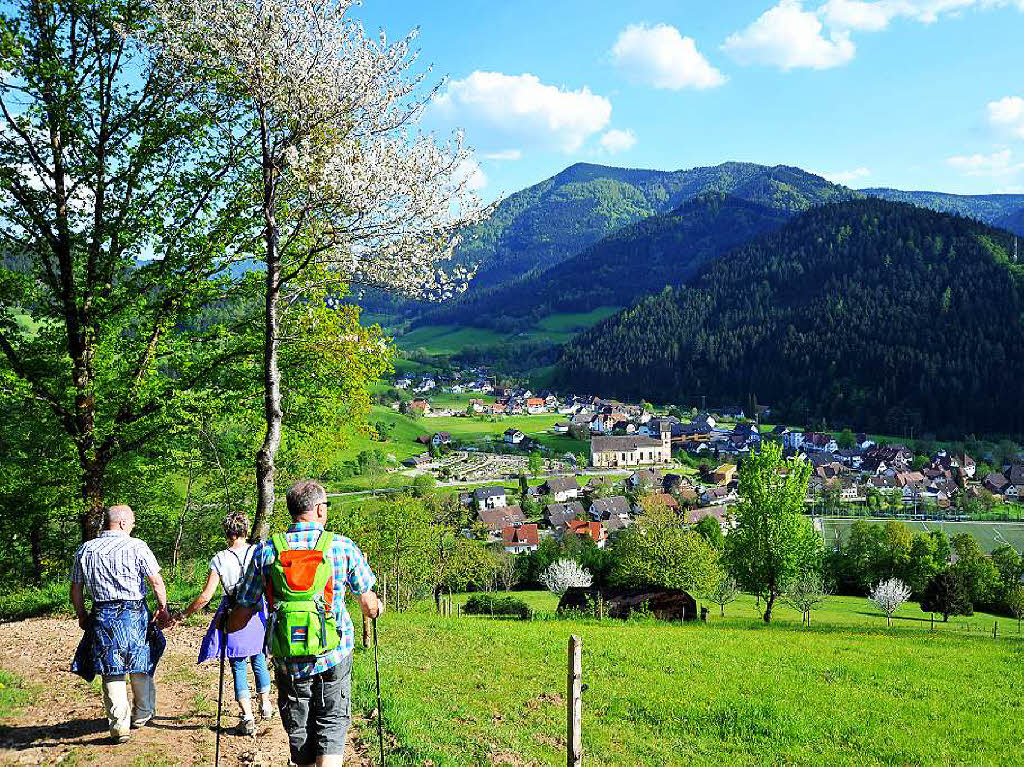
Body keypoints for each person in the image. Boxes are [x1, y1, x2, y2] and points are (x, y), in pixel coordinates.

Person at [227, 480, 382, 767]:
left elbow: (242, 613)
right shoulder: (341, 546)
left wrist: (227, 625)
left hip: (289, 657)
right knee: (332, 721)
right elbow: (367, 603)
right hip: (332, 654)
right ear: (320, 509)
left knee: (299, 727)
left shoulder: (265, 551)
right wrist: (375, 609)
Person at [70, 505, 170, 744]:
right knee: (140, 661)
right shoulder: (137, 546)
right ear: (123, 523)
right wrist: (162, 609)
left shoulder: (86, 549)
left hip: (103, 615)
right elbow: (156, 581)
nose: (134, 525)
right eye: (133, 521)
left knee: (110, 668)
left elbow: (76, 589)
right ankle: (142, 713)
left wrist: (82, 614)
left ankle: (119, 726)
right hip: (134, 614)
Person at [176, 511, 274, 735]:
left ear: (226, 532)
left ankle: (247, 716)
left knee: (238, 665)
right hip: (258, 611)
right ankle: (266, 705)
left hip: (234, 612)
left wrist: (184, 614)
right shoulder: (258, 551)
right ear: (246, 530)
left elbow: (206, 596)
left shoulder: (219, 559)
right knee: (259, 657)